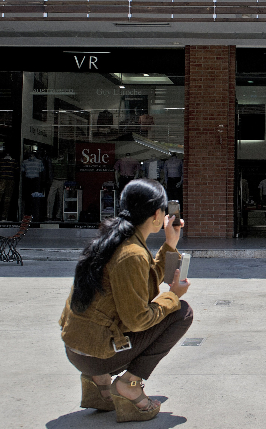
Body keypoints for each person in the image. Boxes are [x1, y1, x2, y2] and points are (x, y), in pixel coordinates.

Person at [58, 179, 192, 423]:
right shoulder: (131, 253)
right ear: (156, 215)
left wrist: (170, 243)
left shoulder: (114, 239)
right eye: (164, 211)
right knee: (181, 313)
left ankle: (99, 383)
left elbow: (149, 277)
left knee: (167, 309)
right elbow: (138, 320)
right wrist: (173, 296)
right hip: (95, 355)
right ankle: (130, 384)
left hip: (79, 348)